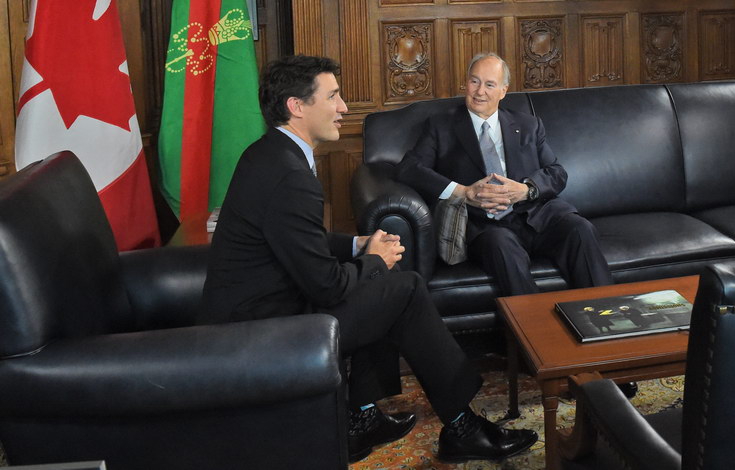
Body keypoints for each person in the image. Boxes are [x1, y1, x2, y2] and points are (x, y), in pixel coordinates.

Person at [199, 55, 537, 464]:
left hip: (264, 306)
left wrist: (357, 246)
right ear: (297, 106)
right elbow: (327, 286)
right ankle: (459, 427)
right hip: (266, 327)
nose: (343, 108)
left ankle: (361, 418)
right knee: (403, 288)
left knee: (388, 285)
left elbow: (298, 241)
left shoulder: (269, 154)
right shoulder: (290, 176)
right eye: (334, 96)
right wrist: (374, 261)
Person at [396, 52, 614, 298]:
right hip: (486, 225)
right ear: (465, 83)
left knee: (579, 228)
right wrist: (463, 192)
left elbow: (556, 173)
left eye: (490, 84)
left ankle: (609, 317)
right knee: (502, 246)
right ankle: (535, 328)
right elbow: (409, 169)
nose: (480, 91)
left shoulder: (529, 125)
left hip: (535, 217)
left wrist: (526, 189)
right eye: (474, 81)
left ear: (503, 90)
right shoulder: (441, 125)